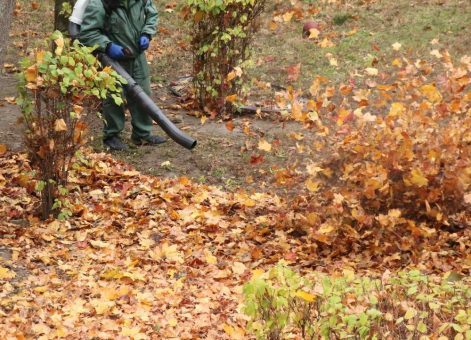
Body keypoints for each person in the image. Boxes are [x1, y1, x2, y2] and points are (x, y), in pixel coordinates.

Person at [79, 0, 166, 151]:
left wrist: (147, 33)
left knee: (143, 93)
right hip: (114, 61)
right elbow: (87, 33)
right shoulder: (99, 3)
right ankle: (111, 136)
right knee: (114, 98)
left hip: (137, 57)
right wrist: (107, 46)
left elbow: (151, 14)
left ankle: (142, 134)